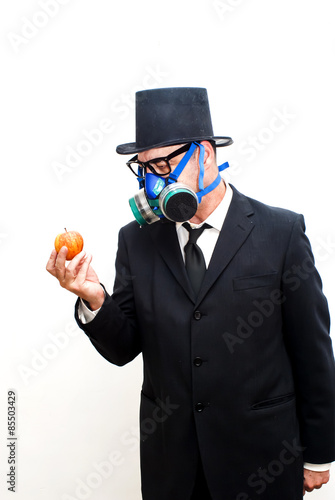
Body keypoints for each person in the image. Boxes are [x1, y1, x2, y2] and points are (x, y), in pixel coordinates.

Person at [46, 87, 335, 500]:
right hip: (174, 468)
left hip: (263, 459)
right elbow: (125, 347)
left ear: (205, 153)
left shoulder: (281, 233)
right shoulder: (137, 240)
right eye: (144, 167)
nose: (155, 179)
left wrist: (319, 453)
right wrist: (95, 298)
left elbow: (313, 349)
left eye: (165, 162)